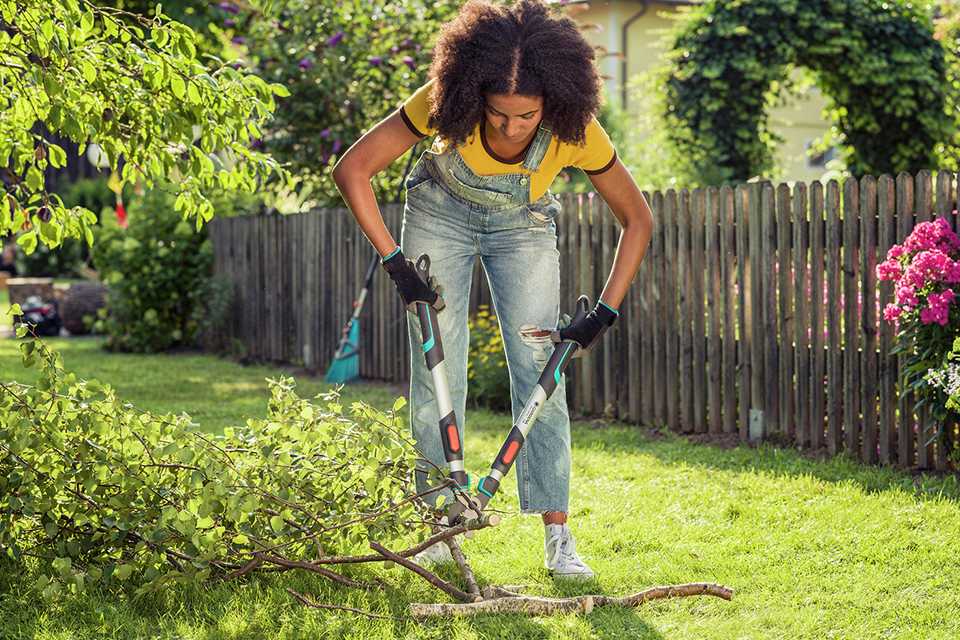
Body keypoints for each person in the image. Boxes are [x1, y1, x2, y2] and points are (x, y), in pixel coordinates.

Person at [333, 0, 653, 580]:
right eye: (498, 114)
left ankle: (558, 535)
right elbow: (353, 169)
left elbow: (638, 219)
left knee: (542, 373)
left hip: (523, 226)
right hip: (438, 215)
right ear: (473, 94)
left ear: (550, 105)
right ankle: (438, 524)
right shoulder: (442, 103)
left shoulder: (575, 129)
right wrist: (396, 263)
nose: (510, 128)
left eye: (526, 116)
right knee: (436, 373)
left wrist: (603, 313)